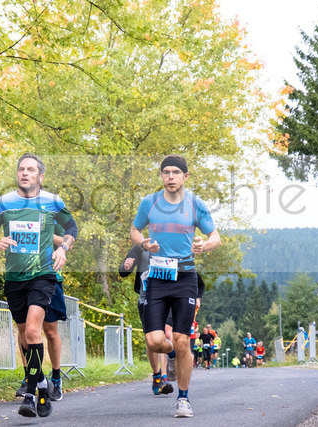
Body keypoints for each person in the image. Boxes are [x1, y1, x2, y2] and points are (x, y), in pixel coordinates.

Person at [0, 153, 78, 418]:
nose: (25, 173)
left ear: (40, 176)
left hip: (43, 275)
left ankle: (31, 396)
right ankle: (42, 384)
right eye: (21, 169)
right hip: (14, 278)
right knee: (24, 336)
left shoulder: (53, 201)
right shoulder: (4, 203)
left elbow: (72, 229)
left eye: (31, 169)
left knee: (34, 332)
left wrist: (63, 248)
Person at [130, 154, 221, 418]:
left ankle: (183, 399)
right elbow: (135, 230)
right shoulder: (149, 202)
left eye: (176, 172)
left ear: (185, 176)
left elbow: (215, 236)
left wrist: (205, 245)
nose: (171, 177)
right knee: (155, 341)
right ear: (161, 175)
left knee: (182, 340)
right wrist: (143, 243)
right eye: (166, 172)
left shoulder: (195, 204)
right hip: (157, 276)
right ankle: (170, 355)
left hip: (185, 276)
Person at [16, 224, 68, 401]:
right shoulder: (19, 215)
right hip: (24, 277)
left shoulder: (51, 216)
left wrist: (45, 233)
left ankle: (56, 378)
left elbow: (66, 241)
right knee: (25, 330)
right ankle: (29, 377)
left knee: (50, 332)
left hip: (50, 276)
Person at [119, 245, 174, 395]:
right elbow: (123, 271)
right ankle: (157, 375)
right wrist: (125, 266)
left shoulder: (172, 244)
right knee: (152, 340)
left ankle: (165, 376)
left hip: (168, 297)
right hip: (146, 299)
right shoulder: (140, 247)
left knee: (166, 333)